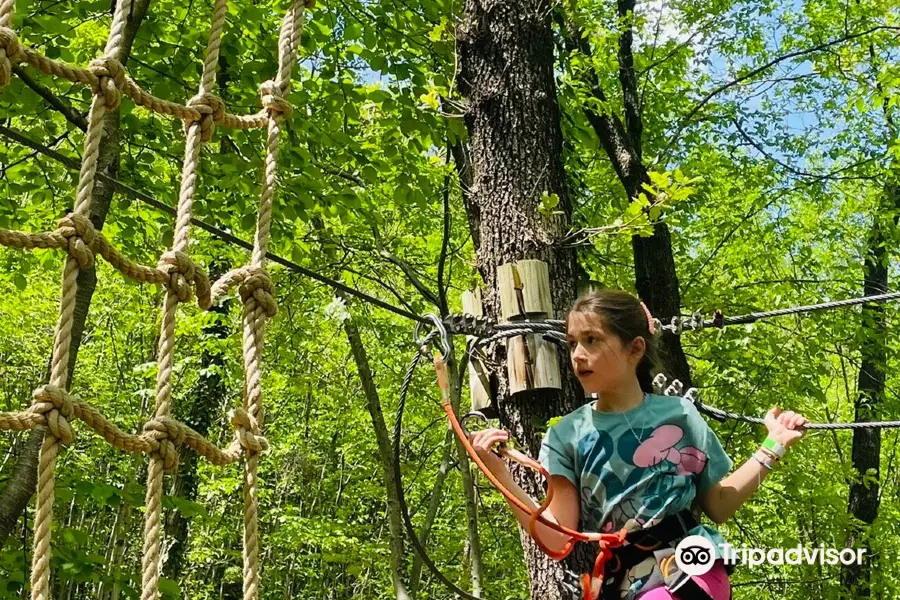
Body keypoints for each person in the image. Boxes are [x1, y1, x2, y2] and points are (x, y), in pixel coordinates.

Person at [468, 289, 808, 599]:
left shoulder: (678, 416)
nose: (578, 355)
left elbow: (717, 504)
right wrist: (503, 478)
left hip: (689, 568)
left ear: (635, 349)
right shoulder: (565, 437)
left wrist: (772, 446)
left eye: (592, 340)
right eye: (572, 343)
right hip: (625, 584)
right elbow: (558, 538)